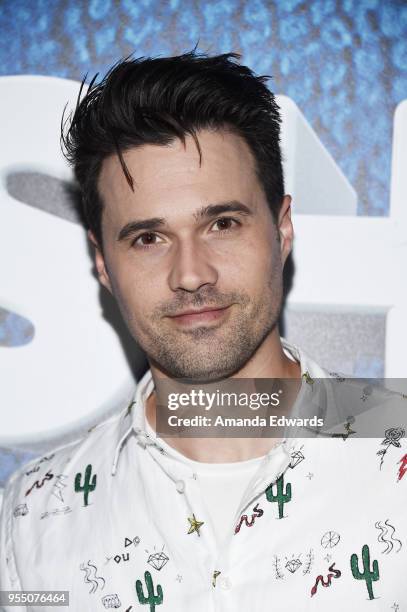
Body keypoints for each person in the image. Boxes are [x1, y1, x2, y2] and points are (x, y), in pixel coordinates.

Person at [0, 51, 405, 612]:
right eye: (148, 238)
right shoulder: (29, 522)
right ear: (101, 263)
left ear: (282, 230)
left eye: (222, 223)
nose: (191, 274)